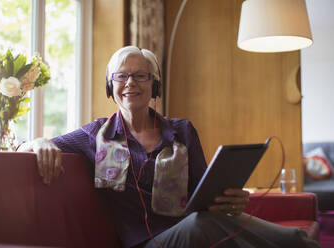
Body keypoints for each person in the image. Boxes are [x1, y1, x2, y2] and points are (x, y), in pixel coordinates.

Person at [18, 46, 321, 248]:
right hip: (147, 242)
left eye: (140, 75)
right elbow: (24, 148)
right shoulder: (96, 134)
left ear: (154, 86)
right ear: (111, 86)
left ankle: (296, 241)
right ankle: (297, 242)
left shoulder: (182, 130)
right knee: (203, 224)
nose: (130, 83)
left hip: (192, 230)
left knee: (211, 220)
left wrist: (229, 200)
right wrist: (40, 140)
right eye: (121, 76)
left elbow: (205, 195)